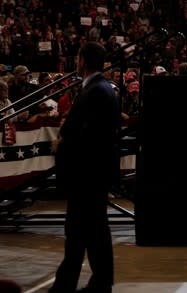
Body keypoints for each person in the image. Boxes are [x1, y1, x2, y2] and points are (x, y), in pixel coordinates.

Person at [50, 41, 122, 293]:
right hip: (90, 174)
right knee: (87, 232)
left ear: (82, 60)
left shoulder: (97, 91)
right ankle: (87, 282)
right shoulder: (97, 88)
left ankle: (74, 284)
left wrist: (62, 143)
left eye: (78, 57)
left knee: (84, 231)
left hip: (88, 174)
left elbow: (91, 136)